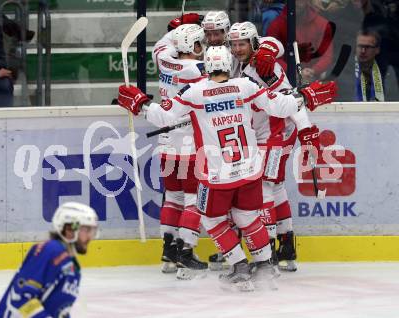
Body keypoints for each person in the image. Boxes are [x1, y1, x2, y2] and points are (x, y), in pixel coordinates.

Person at [117, 46, 337, 290]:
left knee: (211, 220)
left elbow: (164, 117)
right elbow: (283, 107)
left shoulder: (195, 92)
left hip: (216, 175)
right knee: (247, 216)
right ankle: (264, 266)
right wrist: (305, 97)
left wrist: (140, 104)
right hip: (250, 170)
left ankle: (240, 267)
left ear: (207, 66)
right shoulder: (246, 86)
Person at [228, 21, 321, 271]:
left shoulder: (266, 68)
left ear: (253, 43)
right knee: (276, 186)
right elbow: (274, 43)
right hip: (262, 136)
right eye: (234, 44)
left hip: (273, 137)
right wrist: (271, 46)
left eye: (242, 43)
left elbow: (294, 102)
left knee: (264, 188)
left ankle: (266, 255)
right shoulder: (239, 62)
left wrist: (306, 130)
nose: (237, 49)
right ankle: (287, 247)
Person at [151, 23, 208, 279]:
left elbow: (161, 44)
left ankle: (168, 252)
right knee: (193, 200)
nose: (203, 48)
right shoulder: (197, 68)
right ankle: (186, 252)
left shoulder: (163, 58)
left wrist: (178, 27)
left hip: (165, 143)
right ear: (191, 46)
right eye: (199, 43)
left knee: (172, 197)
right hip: (189, 146)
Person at [0, 202, 98, 317]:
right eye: (86, 230)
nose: (90, 237)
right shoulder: (50, 251)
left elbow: (58, 311)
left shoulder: (72, 266)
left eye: (91, 231)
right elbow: (21, 298)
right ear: (69, 229)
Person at [267, 0, 334, 82]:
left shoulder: (322, 24)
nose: (296, 3)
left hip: (314, 79)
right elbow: (271, 55)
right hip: (284, 80)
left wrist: (313, 71)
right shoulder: (276, 25)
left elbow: (327, 55)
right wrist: (294, 72)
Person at [355, 29, 384, 101]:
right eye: (360, 46)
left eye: (368, 47)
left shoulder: (386, 74)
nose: (363, 51)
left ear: (377, 49)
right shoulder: (343, 71)